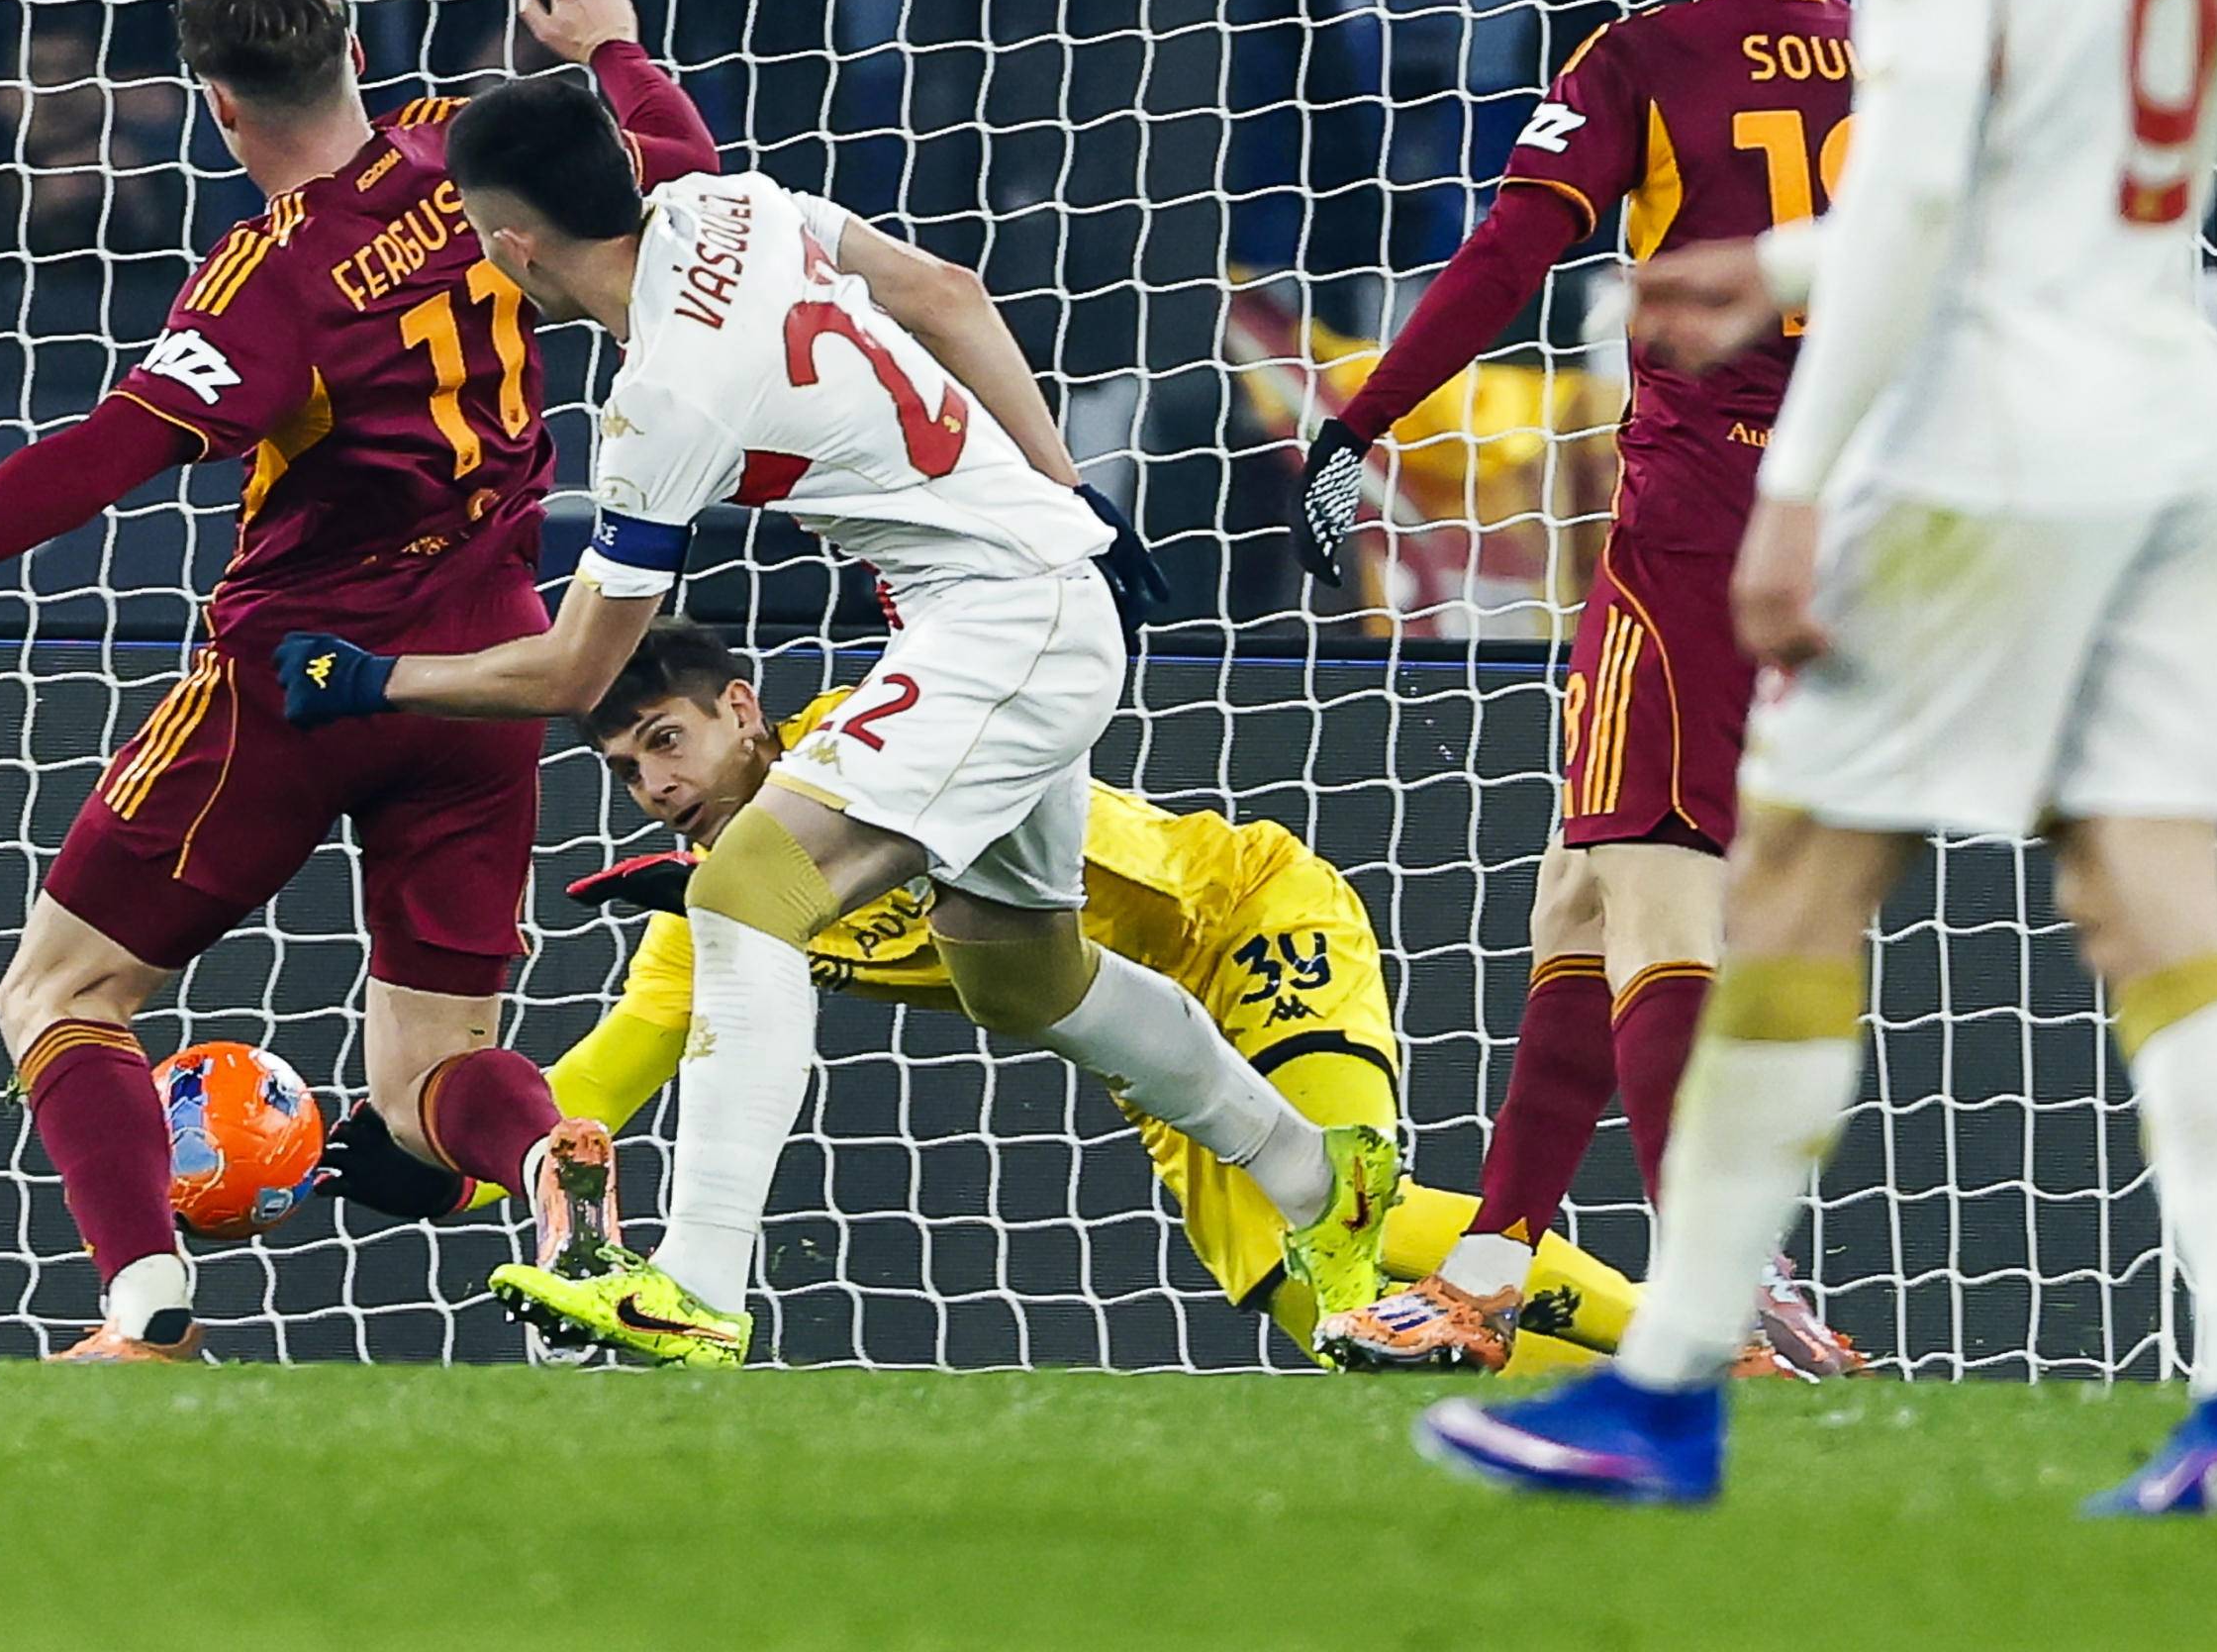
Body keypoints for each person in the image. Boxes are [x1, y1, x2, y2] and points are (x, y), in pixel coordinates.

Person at [1421, 0, 2217, 1515]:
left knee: (1786, 885)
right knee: (2159, 898)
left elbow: (1921, 192)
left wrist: (1806, 474)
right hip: (2172, 412)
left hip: (1993, 442)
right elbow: (2031, 175)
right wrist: (1786, 266)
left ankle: (1678, 1379)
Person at [273, 78, 1396, 1370]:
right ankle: (1319, 1179)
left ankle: (695, 1286)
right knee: (1022, 976)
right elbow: (949, 295)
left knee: (744, 891)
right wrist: (1075, 499)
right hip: (1028, 595)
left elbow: (580, 666)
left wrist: (372, 680)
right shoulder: (727, 206)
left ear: (510, 246)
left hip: (1002, 624)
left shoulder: (664, 403)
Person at [0, 0, 715, 1360]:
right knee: (429, 1081)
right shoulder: (469, 148)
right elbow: (683, 177)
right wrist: (614, 47)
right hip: (496, 665)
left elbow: (108, 451)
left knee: (61, 992)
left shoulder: (267, 279)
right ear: (358, 56)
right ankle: (550, 1161)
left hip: (297, 684)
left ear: (218, 104)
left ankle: (144, 1302)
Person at [314, 618, 1642, 1369]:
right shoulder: (724, 905)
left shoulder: (870, 742)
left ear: (744, 710)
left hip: (1248, 919)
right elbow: (603, 1087)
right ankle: (1588, 1405)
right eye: (626, 771)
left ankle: (1689, 1346)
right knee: (1322, 1314)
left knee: (1353, 1206)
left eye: (668, 742)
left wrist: (791, 875)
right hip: (1146, 1039)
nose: (657, 786)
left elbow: (997, 852)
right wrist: (447, 1170)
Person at [1293, 0, 1864, 1377]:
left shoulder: (1644, 55)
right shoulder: (1904, 63)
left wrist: (1359, 421)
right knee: (1584, 883)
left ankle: (1722, 1282)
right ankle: (1485, 1272)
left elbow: (1505, 258)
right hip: (1851, 523)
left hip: (1697, 526)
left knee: (1655, 872)